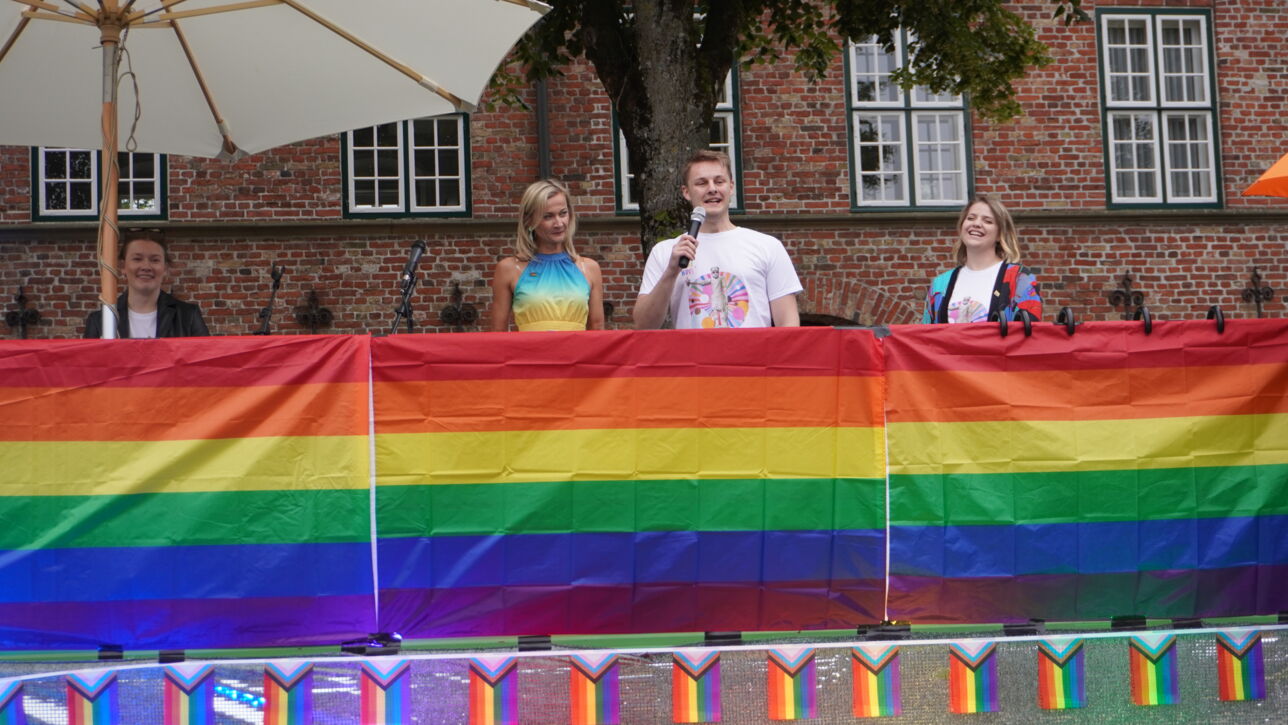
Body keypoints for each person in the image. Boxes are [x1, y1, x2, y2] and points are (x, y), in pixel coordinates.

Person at [634, 150, 802, 329]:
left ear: (731, 187)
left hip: (753, 356)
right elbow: (644, 325)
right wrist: (671, 272)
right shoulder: (666, 251)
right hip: (693, 356)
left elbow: (788, 324)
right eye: (701, 183)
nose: (712, 189)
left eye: (719, 181)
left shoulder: (767, 246)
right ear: (687, 192)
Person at [490, 179, 605, 331]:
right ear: (529, 220)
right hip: (529, 354)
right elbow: (498, 333)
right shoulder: (508, 269)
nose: (558, 223)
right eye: (548, 216)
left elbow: (597, 329)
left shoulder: (589, 268)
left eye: (563, 213)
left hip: (577, 354)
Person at [921, 194, 1042, 324]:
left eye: (988, 221)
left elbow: (1030, 335)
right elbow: (926, 336)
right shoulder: (940, 285)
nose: (977, 224)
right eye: (971, 218)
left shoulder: (1019, 278)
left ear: (999, 234)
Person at [83, 231, 210, 338]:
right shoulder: (100, 321)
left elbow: (206, 364)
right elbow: (88, 366)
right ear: (123, 266)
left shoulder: (188, 316)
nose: (146, 267)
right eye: (137, 259)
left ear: (165, 268)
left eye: (155, 260)